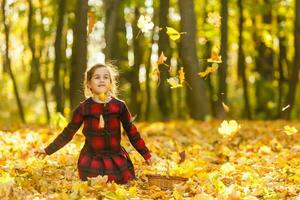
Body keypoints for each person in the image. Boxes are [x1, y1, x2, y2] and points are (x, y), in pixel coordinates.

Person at [35, 63, 152, 184]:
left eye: (106, 77)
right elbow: (67, 133)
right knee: (95, 184)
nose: (102, 80)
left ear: (110, 83)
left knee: (122, 182)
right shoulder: (84, 108)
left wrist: (146, 154)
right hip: (92, 161)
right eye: (97, 77)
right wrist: (48, 150)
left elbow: (132, 132)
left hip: (115, 159)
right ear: (89, 84)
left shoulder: (119, 106)